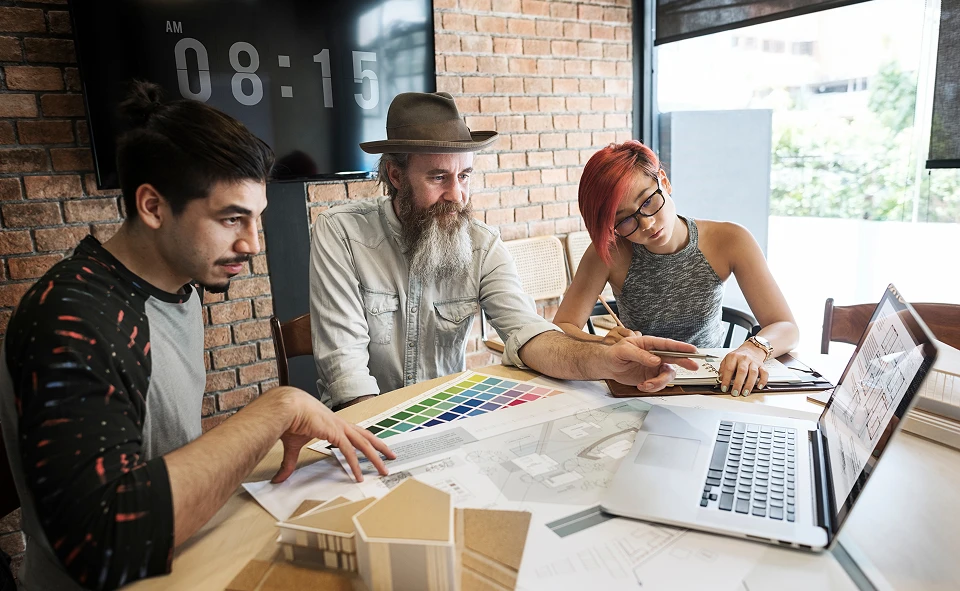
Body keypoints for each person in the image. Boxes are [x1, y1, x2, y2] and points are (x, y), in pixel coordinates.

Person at [0, 81, 393, 591]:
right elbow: (103, 546)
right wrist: (277, 409)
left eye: (256, 219)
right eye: (231, 219)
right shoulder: (74, 319)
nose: (251, 244)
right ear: (152, 206)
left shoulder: (180, 288)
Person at [309, 92, 699, 411]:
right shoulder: (340, 233)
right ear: (396, 176)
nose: (457, 195)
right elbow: (348, 375)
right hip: (359, 427)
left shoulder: (482, 244)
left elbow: (531, 335)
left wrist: (605, 362)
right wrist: (385, 441)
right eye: (438, 177)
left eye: (464, 176)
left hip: (441, 418)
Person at [553, 140, 800, 397]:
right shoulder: (609, 252)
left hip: (713, 385)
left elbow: (785, 326)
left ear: (664, 181)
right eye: (625, 220)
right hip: (641, 385)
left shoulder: (731, 240)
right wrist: (604, 344)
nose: (647, 223)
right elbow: (562, 327)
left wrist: (753, 349)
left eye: (648, 202)